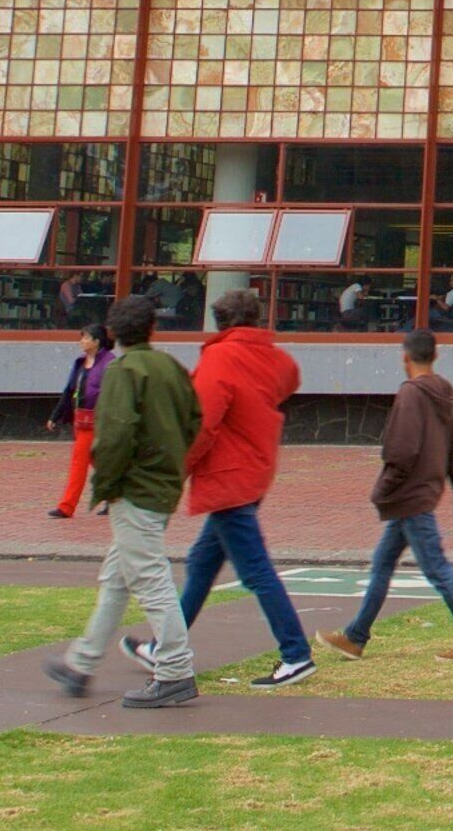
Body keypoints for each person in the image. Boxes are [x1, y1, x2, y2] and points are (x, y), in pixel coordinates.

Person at [139, 289, 313, 687]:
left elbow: (201, 422)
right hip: (253, 466)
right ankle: (164, 644)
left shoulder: (220, 357)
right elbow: (289, 377)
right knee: (203, 562)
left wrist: (177, 470)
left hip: (228, 473)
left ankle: (296, 653)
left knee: (255, 570)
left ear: (220, 323)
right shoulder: (270, 355)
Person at [44, 294, 202, 707]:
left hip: (134, 489)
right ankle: (81, 663)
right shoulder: (170, 367)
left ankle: (174, 670)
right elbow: (194, 422)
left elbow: (114, 436)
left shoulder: (123, 371)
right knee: (117, 578)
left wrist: (106, 486)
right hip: (162, 486)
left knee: (150, 580)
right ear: (153, 328)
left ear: (112, 333)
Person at [325, 329, 453, 661]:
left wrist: (383, 489)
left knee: (435, 568)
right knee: (383, 564)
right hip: (417, 494)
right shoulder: (445, 394)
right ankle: (355, 637)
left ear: (405, 356)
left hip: (410, 497)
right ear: (435, 355)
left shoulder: (411, 394)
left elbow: (401, 451)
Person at [45, 322, 115, 519]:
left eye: (85, 338)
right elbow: (69, 391)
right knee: (98, 462)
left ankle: (67, 506)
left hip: (100, 421)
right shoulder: (80, 363)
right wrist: (55, 415)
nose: (81, 341)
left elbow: (113, 393)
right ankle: (115, 496)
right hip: (81, 420)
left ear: (97, 341)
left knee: (81, 462)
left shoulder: (110, 363)